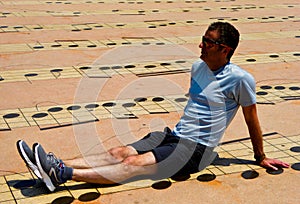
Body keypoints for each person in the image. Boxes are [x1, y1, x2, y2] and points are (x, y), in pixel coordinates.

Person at [17, 22, 289, 192]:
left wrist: (260, 156)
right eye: (203, 38)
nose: (201, 45)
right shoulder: (197, 67)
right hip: (174, 135)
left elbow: (251, 118)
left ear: (225, 49)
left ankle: (63, 174)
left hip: (197, 149)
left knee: (133, 163)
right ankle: (51, 165)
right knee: (118, 151)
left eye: (208, 41)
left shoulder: (241, 79)